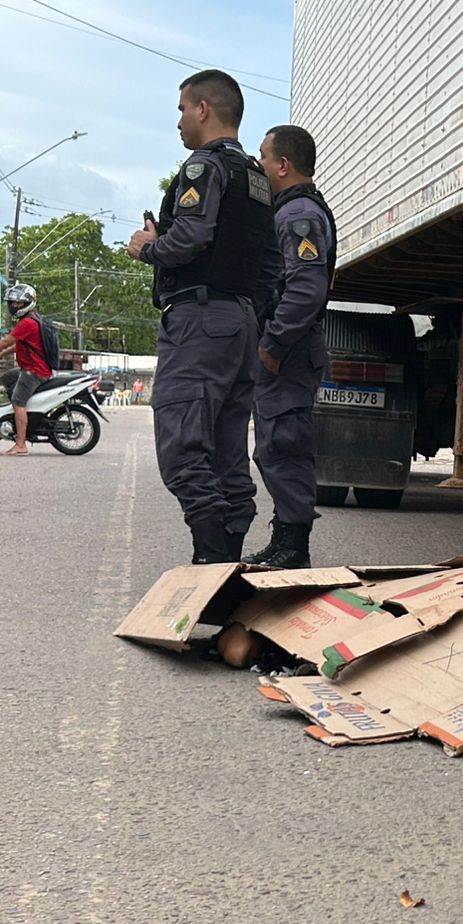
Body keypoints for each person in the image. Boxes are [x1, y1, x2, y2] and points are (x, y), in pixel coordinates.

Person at [125, 68, 277, 564]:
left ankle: (212, 563)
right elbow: (270, 263)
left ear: (203, 109)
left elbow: (189, 239)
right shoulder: (256, 176)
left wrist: (149, 246)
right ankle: (227, 567)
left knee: (183, 443)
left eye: (181, 110)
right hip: (240, 322)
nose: (178, 122)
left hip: (200, 319)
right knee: (228, 448)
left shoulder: (202, 168)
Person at [249, 123, 337, 569]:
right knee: (274, 446)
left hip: (290, 351)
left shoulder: (297, 213)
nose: (260, 164)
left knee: (283, 444)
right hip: (291, 349)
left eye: (264, 157)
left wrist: (273, 345)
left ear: (282, 165)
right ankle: (285, 538)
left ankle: (293, 547)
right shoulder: (293, 209)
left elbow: (306, 289)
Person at [0, 282, 53, 456]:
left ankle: (21, 444)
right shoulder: (32, 320)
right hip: (32, 367)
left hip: (33, 371)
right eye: (13, 303)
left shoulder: (27, 323)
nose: (14, 306)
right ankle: (17, 418)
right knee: (8, 378)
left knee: (18, 401)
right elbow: (19, 344)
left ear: (27, 303)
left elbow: (6, 341)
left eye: (18, 303)